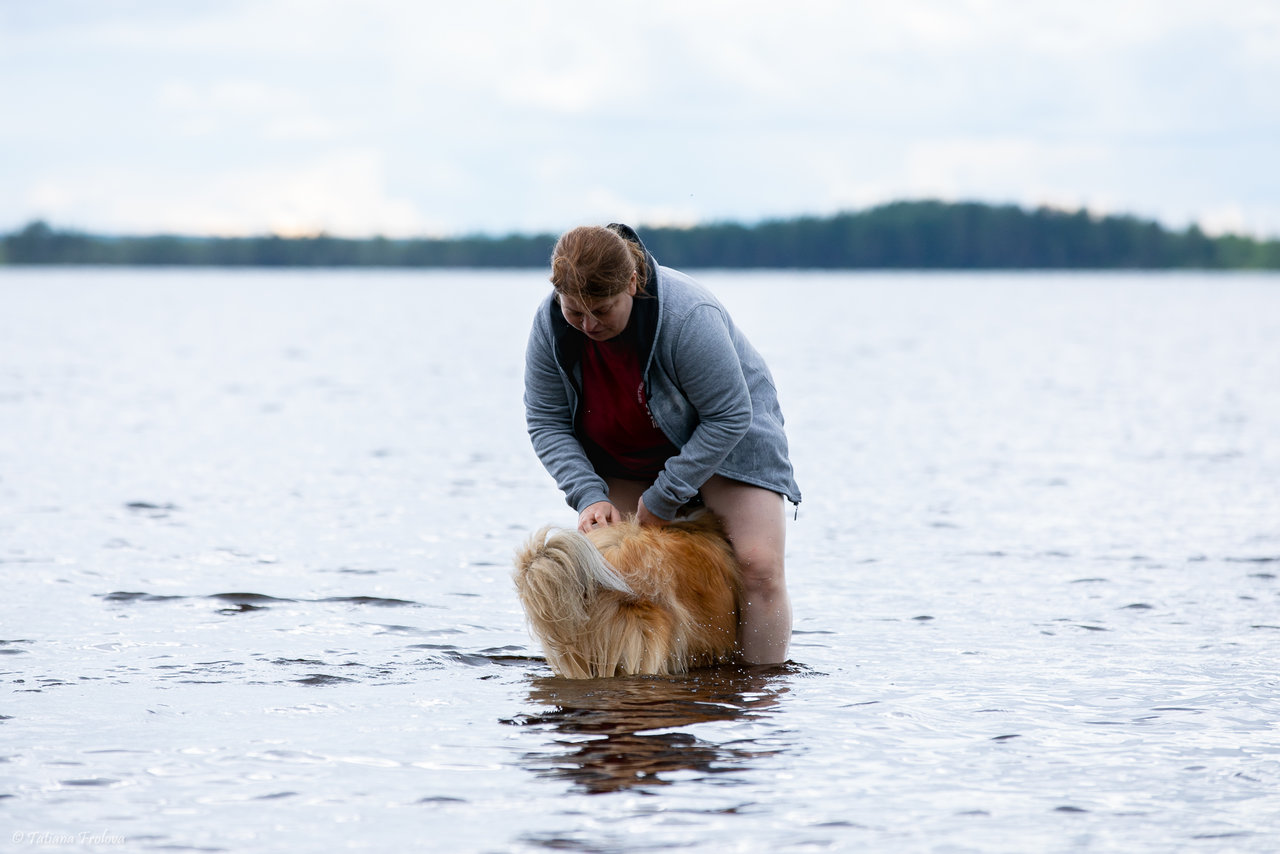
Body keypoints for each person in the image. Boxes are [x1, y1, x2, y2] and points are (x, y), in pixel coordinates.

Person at [523, 223, 802, 665]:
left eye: (603, 309)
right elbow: (546, 421)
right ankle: (634, 698)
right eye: (576, 312)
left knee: (757, 567)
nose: (589, 325)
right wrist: (588, 496)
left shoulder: (688, 316)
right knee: (615, 577)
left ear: (632, 283)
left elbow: (729, 415)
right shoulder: (551, 324)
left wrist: (666, 495)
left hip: (729, 442)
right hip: (628, 451)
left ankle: (758, 697)